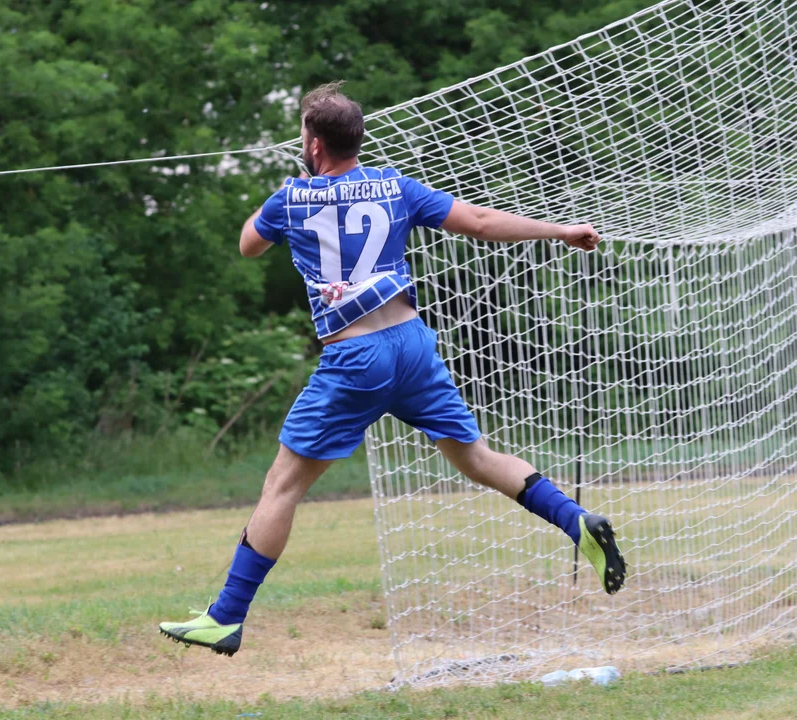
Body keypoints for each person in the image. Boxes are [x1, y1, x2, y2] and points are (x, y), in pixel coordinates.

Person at [159, 82, 626, 657]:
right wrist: (562, 230)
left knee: (282, 486)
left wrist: (284, 195)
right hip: (411, 343)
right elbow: (478, 222)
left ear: (312, 142)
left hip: (356, 357)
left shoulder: (290, 200)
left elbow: (248, 245)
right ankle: (574, 519)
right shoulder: (395, 186)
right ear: (357, 139)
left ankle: (225, 617)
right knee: (476, 458)